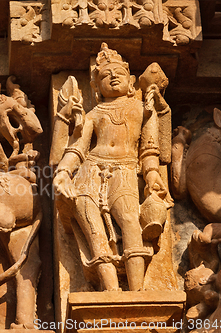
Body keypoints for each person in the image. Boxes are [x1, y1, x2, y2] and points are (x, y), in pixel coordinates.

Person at [53, 43, 167, 291]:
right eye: (106, 75)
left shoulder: (142, 109)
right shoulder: (93, 114)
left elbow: (149, 150)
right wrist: (63, 173)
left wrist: (152, 174)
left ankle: (137, 292)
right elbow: (77, 149)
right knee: (94, 230)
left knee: (130, 223)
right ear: (95, 87)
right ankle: (111, 291)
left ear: (132, 81)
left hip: (125, 171)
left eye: (120, 73)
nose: (113, 77)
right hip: (90, 172)